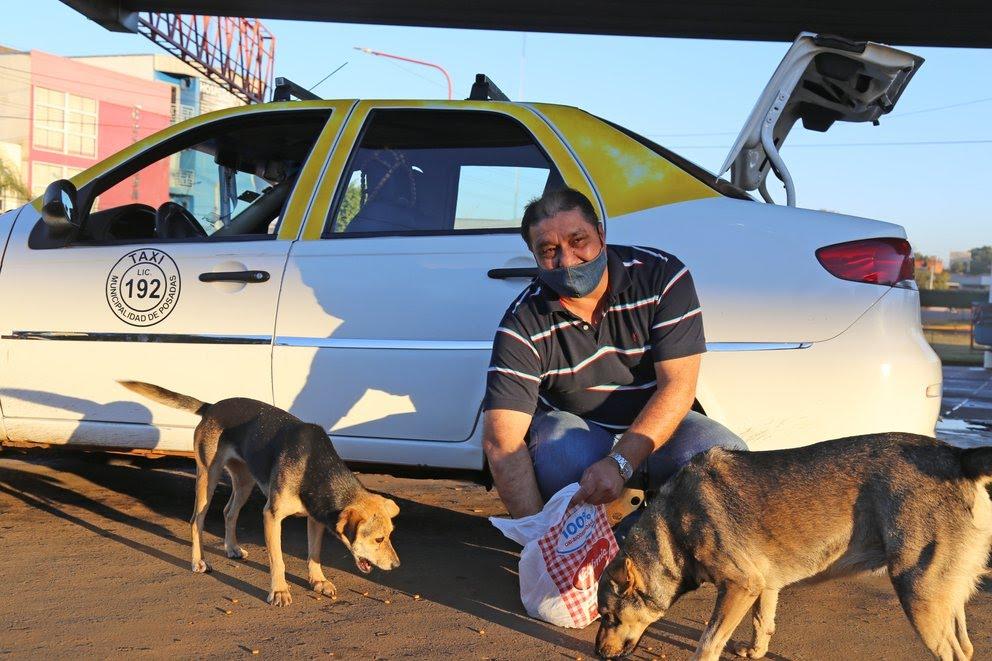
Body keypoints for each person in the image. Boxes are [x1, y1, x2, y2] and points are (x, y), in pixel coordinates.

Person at [482, 188, 746, 519]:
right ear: (534, 255)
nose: (567, 260)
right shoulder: (522, 324)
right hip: (581, 431)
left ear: (601, 235)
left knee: (724, 460)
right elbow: (501, 441)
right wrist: (537, 537)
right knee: (559, 450)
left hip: (661, 425)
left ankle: (676, 546)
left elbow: (677, 387)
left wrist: (619, 462)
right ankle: (577, 544)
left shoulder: (661, 277)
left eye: (578, 241)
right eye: (549, 250)